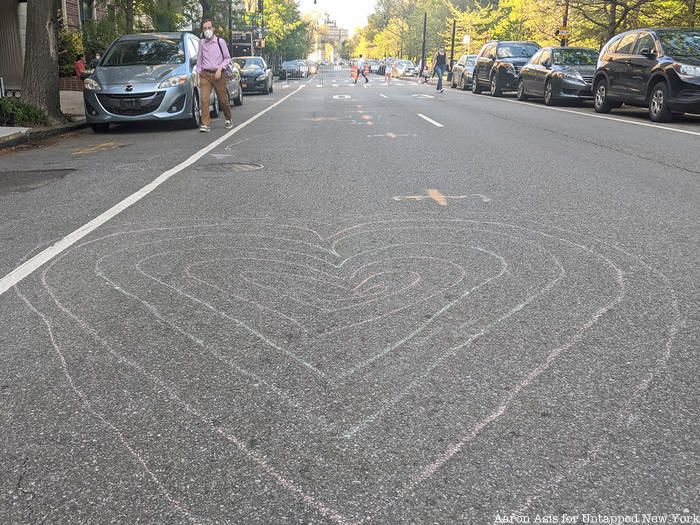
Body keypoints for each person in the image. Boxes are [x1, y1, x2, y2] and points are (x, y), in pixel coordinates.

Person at [195, 19, 233, 132]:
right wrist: (198, 73)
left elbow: (227, 58)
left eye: (209, 28)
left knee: (223, 100)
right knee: (204, 99)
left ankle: (228, 118)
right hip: (205, 74)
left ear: (213, 29)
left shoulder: (220, 42)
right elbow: (199, 59)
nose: (207, 30)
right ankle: (205, 124)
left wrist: (220, 69)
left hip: (218, 75)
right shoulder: (202, 43)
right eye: (205, 28)